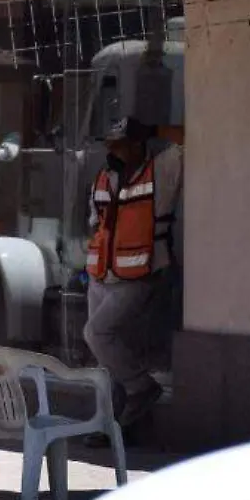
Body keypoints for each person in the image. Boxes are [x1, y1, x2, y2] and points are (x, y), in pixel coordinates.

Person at [83, 116, 183, 430]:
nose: (114, 150)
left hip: (142, 275)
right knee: (105, 356)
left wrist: (154, 129)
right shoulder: (104, 176)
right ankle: (114, 424)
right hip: (101, 275)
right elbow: (96, 224)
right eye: (111, 144)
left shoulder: (162, 169)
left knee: (97, 334)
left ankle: (142, 388)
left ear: (138, 143)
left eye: (122, 144)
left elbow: (191, 138)